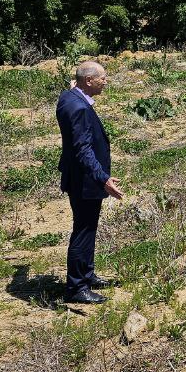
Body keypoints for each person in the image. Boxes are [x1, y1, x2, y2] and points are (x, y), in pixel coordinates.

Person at [56, 61, 123, 304]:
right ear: (88, 81)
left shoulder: (68, 97)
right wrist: (103, 178)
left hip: (78, 177)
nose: (105, 81)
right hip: (84, 181)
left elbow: (71, 89)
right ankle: (76, 288)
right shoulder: (80, 108)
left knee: (88, 227)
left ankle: (87, 273)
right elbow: (83, 150)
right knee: (83, 230)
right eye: (102, 78)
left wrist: (74, 88)